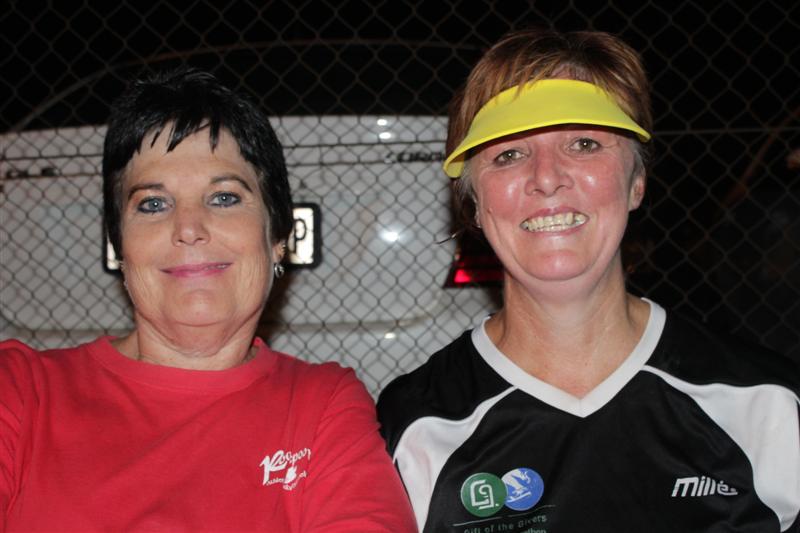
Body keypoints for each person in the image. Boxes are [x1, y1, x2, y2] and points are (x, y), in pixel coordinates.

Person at [377, 28, 800, 532]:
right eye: (508, 154)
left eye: (584, 143)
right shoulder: (417, 425)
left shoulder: (764, 404)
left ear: (636, 182)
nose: (547, 177)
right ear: (473, 201)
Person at [0, 67, 416, 532]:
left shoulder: (321, 404)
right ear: (120, 245)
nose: (188, 228)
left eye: (223, 198)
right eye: (153, 204)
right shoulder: (19, 390)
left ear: (278, 237)